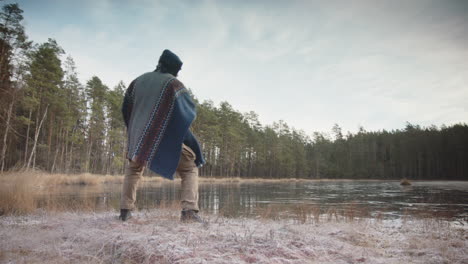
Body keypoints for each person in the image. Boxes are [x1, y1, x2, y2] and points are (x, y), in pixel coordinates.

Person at [119, 49, 205, 222]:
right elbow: (186, 113)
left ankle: (125, 212)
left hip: (138, 139)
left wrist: (135, 132)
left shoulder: (136, 82)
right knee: (189, 168)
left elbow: (125, 109)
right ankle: (189, 212)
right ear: (173, 69)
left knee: (134, 169)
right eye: (177, 71)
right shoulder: (173, 84)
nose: (177, 74)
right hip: (161, 139)